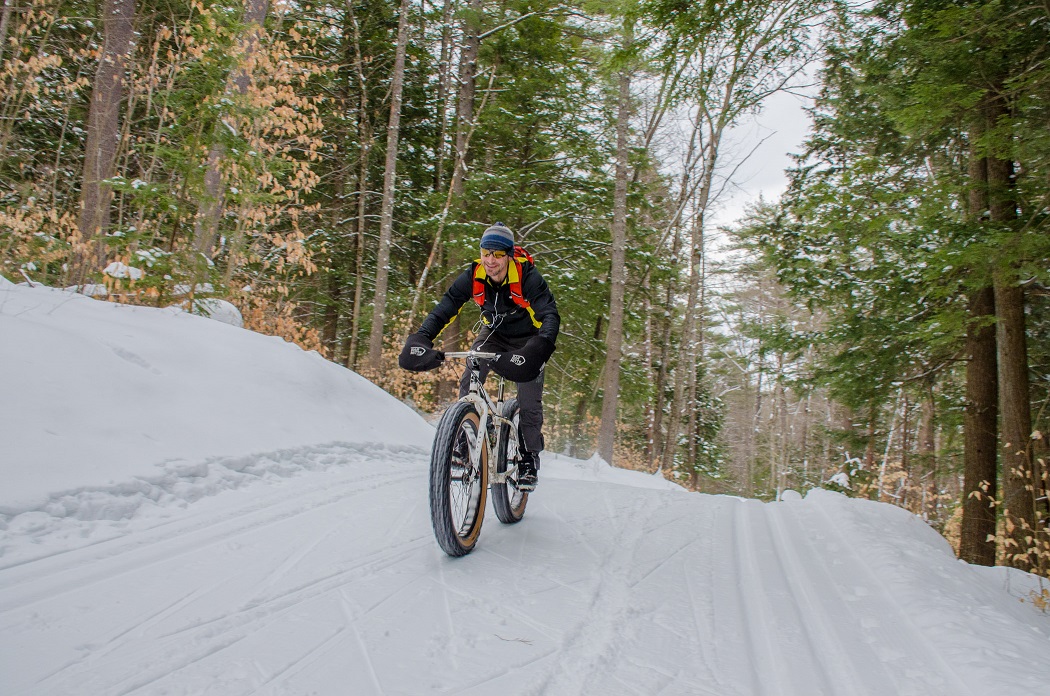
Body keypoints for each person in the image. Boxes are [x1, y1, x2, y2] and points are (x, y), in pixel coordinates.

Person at [398, 222, 560, 490]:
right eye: (486, 253)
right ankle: (464, 439)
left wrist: (541, 346)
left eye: (497, 255)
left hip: (528, 339)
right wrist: (423, 336)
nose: (490, 260)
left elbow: (550, 314)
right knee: (471, 373)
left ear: (509, 255)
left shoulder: (528, 276)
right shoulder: (474, 274)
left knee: (529, 402)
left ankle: (529, 457)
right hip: (493, 334)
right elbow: (446, 306)